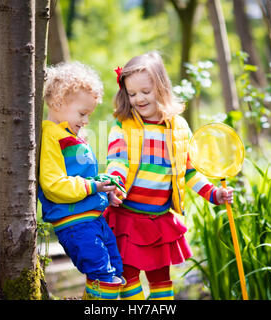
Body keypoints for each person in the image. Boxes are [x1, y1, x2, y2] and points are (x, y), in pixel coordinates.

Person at [104, 51, 233, 300]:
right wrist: (114, 186)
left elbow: (189, 172)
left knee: (161, 280)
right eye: (132, 94)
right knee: (126, 276)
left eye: (145, 91)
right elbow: (116, 161)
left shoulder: (179, 128)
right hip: (127, 217)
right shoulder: (124, 125)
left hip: (159, 219)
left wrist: (214, 194)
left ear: (161, 88)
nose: (138, 99)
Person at [38, 61, 125, 300]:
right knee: (103, 275)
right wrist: (92, 186)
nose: (86, 121)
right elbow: (54, 185)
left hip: (94, 220)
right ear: (58, 102)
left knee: (115, 269)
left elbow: (82, 178)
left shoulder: (71, 136)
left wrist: (103, 187)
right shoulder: (51, 137)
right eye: (82, 114)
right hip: (75, 223)